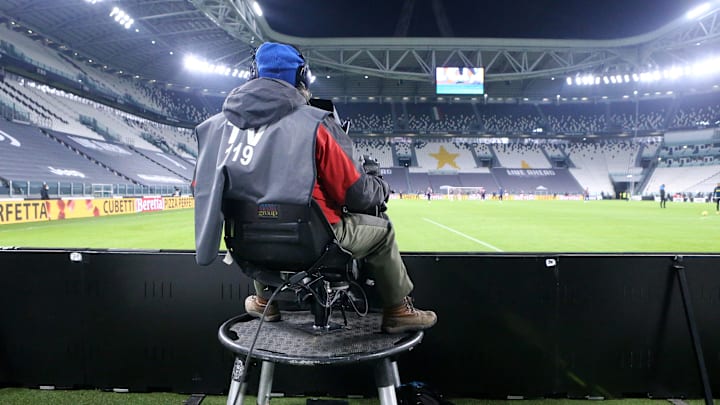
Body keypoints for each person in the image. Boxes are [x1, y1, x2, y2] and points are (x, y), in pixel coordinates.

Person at [192, 42, 436, 334]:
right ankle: (398, 310)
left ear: (253, 74)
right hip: (315, 243)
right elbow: (356, 195)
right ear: (301, 77)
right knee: (383, 232)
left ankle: (265, 300)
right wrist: (379, 186)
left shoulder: (216, 128)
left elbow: (202, 189)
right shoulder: (316, 124)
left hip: (244, 243)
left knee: (260, 213)